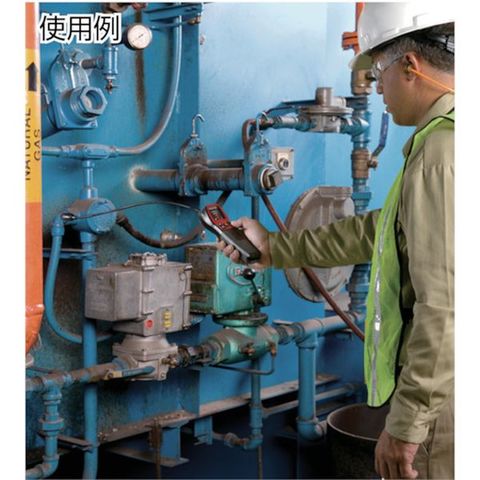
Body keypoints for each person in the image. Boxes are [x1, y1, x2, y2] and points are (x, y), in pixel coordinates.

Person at [217, 4, 454, 479]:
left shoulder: (441, 151)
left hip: (444, 409)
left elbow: (446, 306)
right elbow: (383, 229)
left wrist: (406, 425)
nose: (377, 88)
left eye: (379, 72)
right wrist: (274, 247)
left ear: (411, 67)